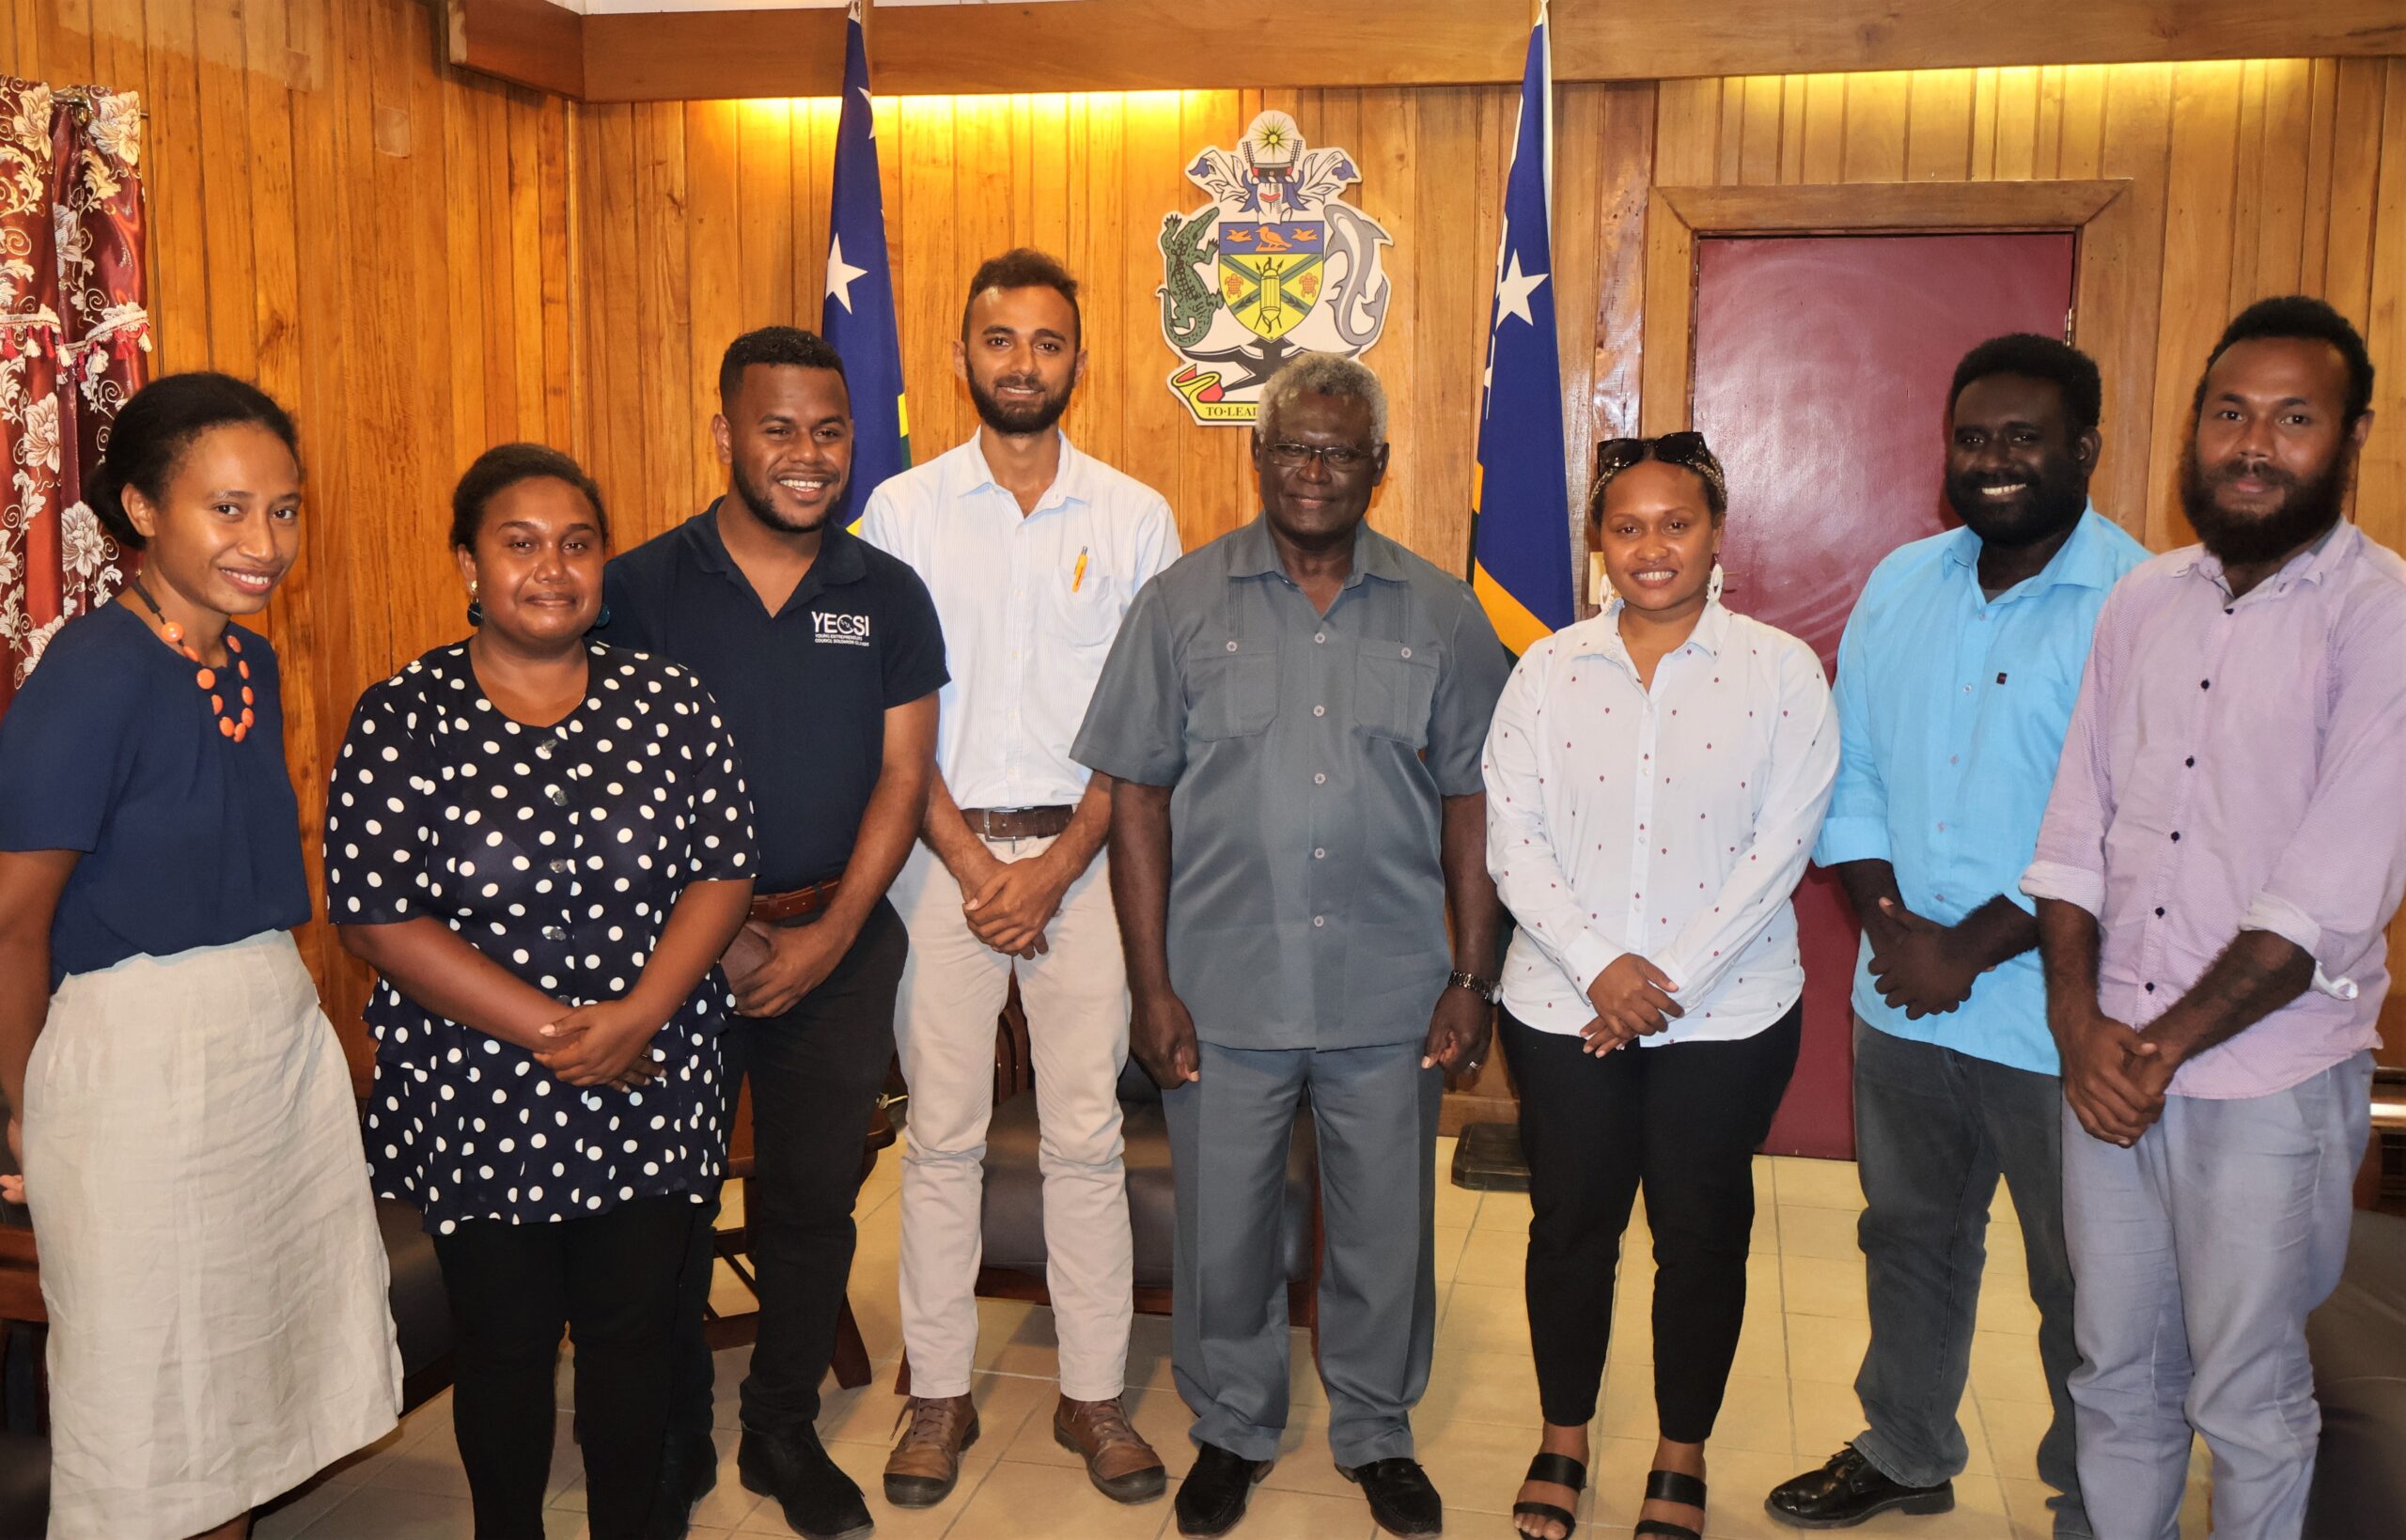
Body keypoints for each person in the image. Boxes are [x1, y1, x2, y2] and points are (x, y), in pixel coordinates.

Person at [1073, 352, 1509, 1540]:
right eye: (1293, 449)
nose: (1314, 471)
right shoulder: (1179, 603)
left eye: (1340, 452)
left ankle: (1375, 1431)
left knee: (1383, 1227)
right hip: (1223, 989)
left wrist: (1472, 974)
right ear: (1254, 458)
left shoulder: (1438, 609)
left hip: (1389, 988)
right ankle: (1233, 1427)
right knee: (1226, 1231)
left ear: (1376, 469)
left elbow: (1474, 796)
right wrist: (1152, 984)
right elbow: (1137, 800)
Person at [2023, 295, 2401, 1539]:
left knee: (2249, 1396)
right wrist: (2083, 1028)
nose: (2255, 443)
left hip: (2265, 1083)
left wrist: (2154, 1045)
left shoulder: (2382, 617)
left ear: (2348, 438)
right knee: (2116, 1378)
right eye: (2231, 412)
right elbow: (2077, 834)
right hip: (2113, 1071)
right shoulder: (2144, 602)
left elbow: (2327, 895)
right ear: (2194, 426)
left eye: (2295, 418)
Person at [328, 443, 756, 1540]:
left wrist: (638, 1018)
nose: (551, 569)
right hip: (480, 1089)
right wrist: (561, 1032)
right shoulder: (403, 715)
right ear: (467, 561)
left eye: (577, 544)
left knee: (632, 1341)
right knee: (505, 1349)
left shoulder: (669, 701)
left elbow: (721, 867)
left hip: (651, 1074)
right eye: (519, 544)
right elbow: (376, 914)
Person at [0, 373, 399, 1539]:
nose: (263, 542)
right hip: (135, 1068)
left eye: (282, 509)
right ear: (140, 510)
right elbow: (16, 919)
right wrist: (21, 1100)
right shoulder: (92, 674)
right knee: (147, 1388)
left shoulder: (247, 663)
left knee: (236, 1379)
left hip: (261, 1051)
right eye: (226, 509)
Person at [1767, 337, 2146, 1536]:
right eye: (1972, 438)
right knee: (1908, 1238)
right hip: (1904, 1000)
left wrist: (1963, 950)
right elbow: (1855, 766)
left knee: (2078, 1283)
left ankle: (2098, 1498)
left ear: (2083, 447)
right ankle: (1906, 1446)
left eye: (2022, 438)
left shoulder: (2140, 603)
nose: (1991, 462)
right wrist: (1890, 926)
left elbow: (2123, 820)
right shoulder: (1902, 581)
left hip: (2057, 1022)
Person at [598, 327, 945, 1540]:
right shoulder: (639, 586)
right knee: (668, 1200)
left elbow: (904, 775)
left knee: (813, 1199)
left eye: (829, 430)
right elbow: (610, 777)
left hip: (838, 943)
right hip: (670, 950)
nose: (807, 455)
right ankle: (680, 1423)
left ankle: (783, 1425)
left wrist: (835, 927)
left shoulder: (885, 593)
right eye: (779, 428)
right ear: (725, 436)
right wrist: (724, 930)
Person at [859, 249, 1180, 1508]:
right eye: (1001, 341)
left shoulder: (1134, 512)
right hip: (936, 855)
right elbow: (894, 713)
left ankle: (1092, 1394)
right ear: (963, 357)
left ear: (1077, 364)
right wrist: (971, 857)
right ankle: (935, 1391)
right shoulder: (901, 510)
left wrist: (1052, 863)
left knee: (1088, 1133)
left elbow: (1141, 718)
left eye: (1048, 343)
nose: (1023, 364)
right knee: (937, 1135)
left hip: (1083, 860)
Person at [1484, 432, 1838, 1540]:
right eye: (1626, 526)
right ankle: (1564, 1437)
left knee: (1701, 1232)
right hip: (1558, 1005)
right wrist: (1599, 964)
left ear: (1716, 534)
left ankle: (1678, 1454)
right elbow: (1512, 837)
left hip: (1727, 1014)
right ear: (1598, 543)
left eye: (1674, 523)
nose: (1651, 547)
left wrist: (1662, 978)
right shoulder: (1544, 671)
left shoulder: (1779, 670)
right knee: (1569, 1226)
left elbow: (1784, 845)